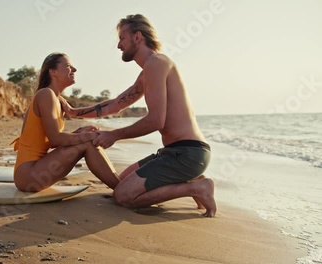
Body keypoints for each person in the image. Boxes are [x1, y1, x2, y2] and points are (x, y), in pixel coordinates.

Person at [60, 14, 217, 217]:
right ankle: (190, 179)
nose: (118, 46)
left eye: (121, 38)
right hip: (172, 153)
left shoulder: (157, 63)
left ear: (137, 37)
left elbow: (156, 120)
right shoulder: (147, 72)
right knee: (121, 182)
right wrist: (73, 112)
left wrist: (113, 135)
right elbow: (116, 104)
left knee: (123, 196)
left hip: (188, 154)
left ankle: (197, 187)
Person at [12, 52, 119, 192]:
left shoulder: (57, 99)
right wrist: (92, 136)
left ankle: (120, 185)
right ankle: (121, 188)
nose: (74, 70)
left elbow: (48, 141)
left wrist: (78, 133)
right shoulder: (46, 94)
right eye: (68, 66)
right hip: (28, 174)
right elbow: (56, 139)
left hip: (36, 169)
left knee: (86, 141)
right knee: (88, 142)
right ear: (53, 72)